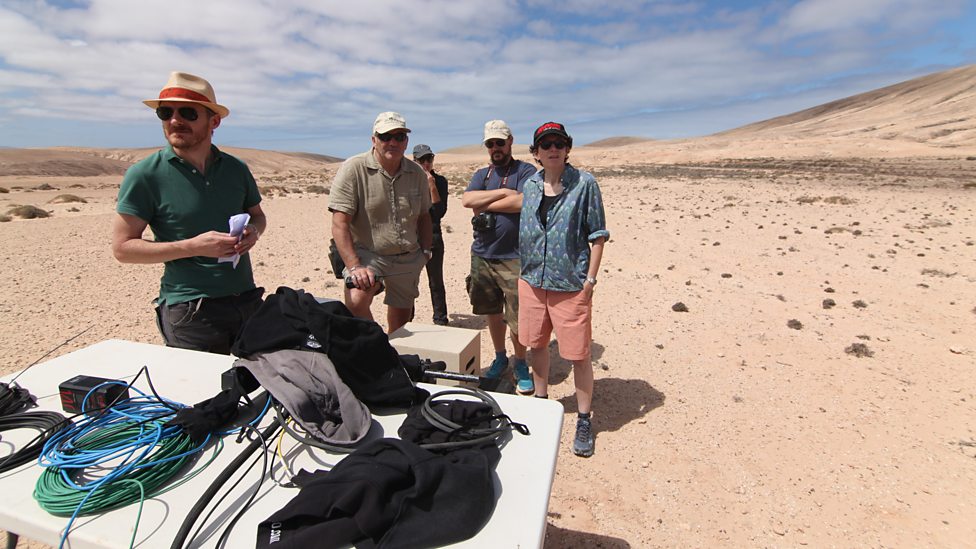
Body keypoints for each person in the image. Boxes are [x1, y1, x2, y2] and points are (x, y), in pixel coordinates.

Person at [111, 71, 267, 355]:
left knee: (254, 391)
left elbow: (257, 214)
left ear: (214, 121)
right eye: (165, 112)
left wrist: (253, 231)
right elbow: (123, 249)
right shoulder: (145, 175)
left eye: (187, 113)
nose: (174, 120)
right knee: (203, 395)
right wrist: (191, 247)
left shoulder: (236, 169)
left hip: (246, 300)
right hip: (191, 311)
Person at [519, 122, 608, 457]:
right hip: (531, 281)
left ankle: (584, 419)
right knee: (537, 345)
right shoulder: (530, 185)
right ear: (536, 152)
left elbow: (597, 235)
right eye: (545, 144)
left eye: (558, 143)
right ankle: (541, 403)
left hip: (571, 284)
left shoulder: (584, 184)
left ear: (567, 148)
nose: (552, 149)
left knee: (578, 354)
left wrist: (590, 282)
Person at [329, 112, 433, 334]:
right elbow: (340, 223)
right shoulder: (353, 169)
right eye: (386, 136)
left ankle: (395, 355)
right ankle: (376, 345)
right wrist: (354, 266)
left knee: (402, 320)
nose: (393, 142)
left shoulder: (417, 174)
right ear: (374, 139)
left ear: (406, 142)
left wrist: (425, 251)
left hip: (408, 257)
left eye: (399, 136)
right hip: (368, 254)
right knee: (356, 301)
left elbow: (424, 215)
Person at [461, 120, 538, 394]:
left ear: (510, 142)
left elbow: (524, 201)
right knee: (492, 311)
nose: (495, 148)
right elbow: (467, 200)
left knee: (516, 315)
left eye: (500, 142)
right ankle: (500, 356)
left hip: (514, 257)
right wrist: (505, 192)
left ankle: (520, 362)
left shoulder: (525, 170)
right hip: (483, 255)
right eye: (490, 143)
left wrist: (487, 201)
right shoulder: (482, 174)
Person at [412, 144, 449, 325]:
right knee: (409, 282)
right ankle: (406, 320)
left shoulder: (440, 181)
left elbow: (439, 212)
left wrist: (432, 185)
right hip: (411, 240)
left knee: (436, 282)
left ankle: (441, 319)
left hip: (434, 238)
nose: (426, 164)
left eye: (429, 159)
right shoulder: (408, 181)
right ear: (415, 161)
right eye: (422, 160)